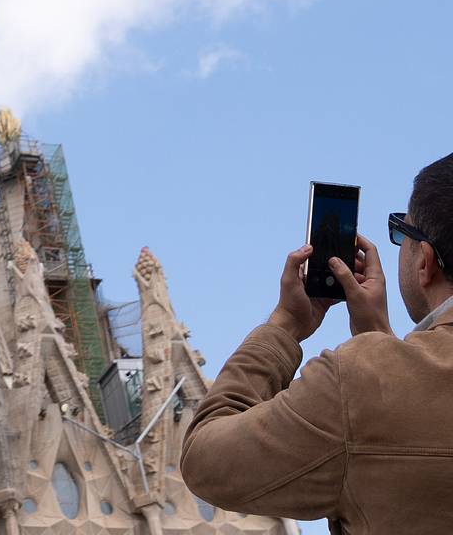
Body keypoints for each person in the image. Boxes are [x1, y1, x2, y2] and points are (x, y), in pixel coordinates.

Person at [182, 153, 453, 532]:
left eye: (400, 233)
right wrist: (379, 344)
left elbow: (206, 461)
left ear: (426, 260)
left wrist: (285, 325)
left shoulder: (355, 384)